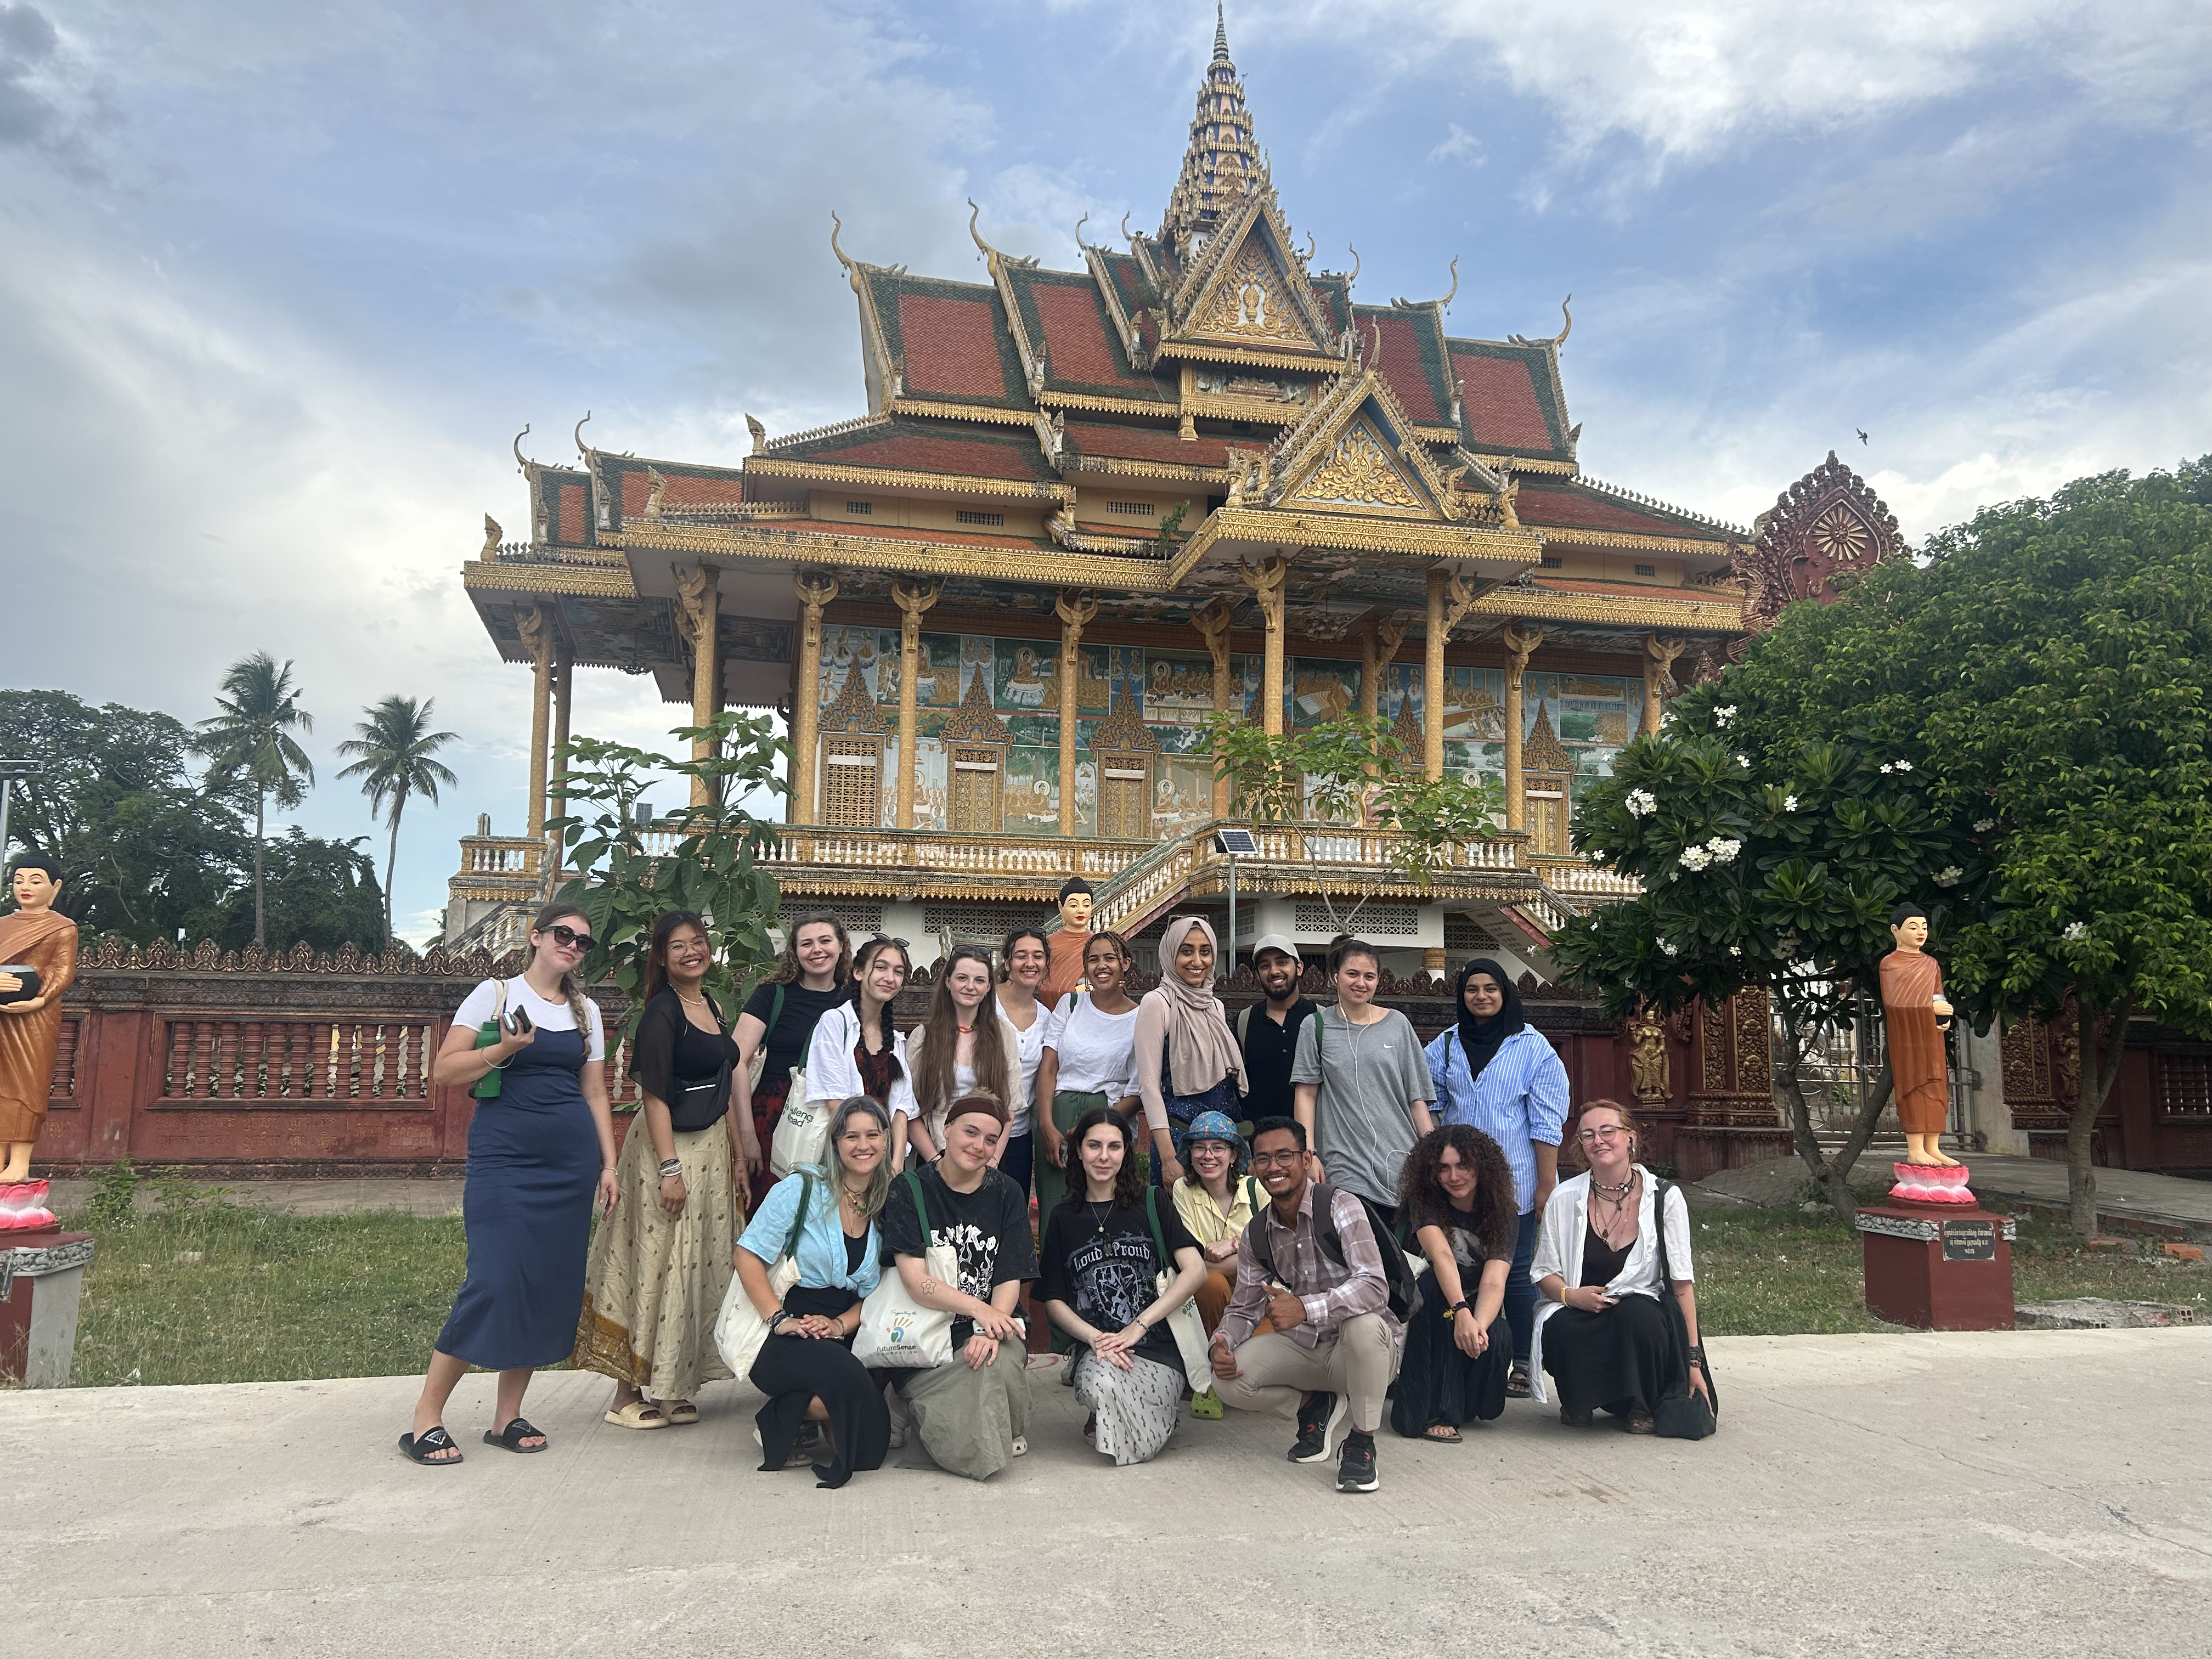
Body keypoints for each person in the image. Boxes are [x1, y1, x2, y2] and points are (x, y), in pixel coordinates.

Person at [401, 903, 619, 1465]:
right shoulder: (495, 994)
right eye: (563, 935)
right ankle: (427, 1415)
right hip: (505, 1158)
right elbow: (445, 1070)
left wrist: (609, 1164)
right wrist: (503, 1049)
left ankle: (507, 1416)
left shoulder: (586, 1011)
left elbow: (595, 1093)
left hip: (568, 1162)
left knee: (545, 1284)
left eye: (583, 942)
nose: (572, 946)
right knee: (495, 1279)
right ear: (537, 937)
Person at [574, 911, 742, 1430]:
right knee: (653, 1263)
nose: (692, 952)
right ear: (661, 958)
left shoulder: (709, 1004)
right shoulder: (663, 1012)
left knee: (695, 1267)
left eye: (699, 943)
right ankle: (626, 1393)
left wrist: (736, 1156)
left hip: (711, 1151)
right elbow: (653, 1096)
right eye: (678, 946)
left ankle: (671, 1385)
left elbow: (721, 1083)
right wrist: (670, 1169)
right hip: (667, 1153)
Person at [1210, 1118, 1402, 1494]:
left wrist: (1306, 1308)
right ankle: (1314, 1404)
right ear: (1252, 1167)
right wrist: (1222, 1342)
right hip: (1310, 1349)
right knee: (1226, 1383)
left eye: (1285, 1156)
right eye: (1263, 1159)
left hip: (1366, 1354)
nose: (1274, 1167)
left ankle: (1362, 1441)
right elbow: (1244, 1308)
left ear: (1306, 1158)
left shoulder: (1342, 1206)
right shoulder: (1256, 1233)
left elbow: (1375, 1286)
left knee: (1361, 1325)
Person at [1424, 957, 1569, 1399]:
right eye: (1472, 989)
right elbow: (1428, 1104)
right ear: (1461, 996)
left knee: (1519, 1272)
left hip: (1518, 1182)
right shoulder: (1445, 1045)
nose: (1481, 996)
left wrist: (1546, 1185)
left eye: (1491, 988)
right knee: (1458, 1268)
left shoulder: (1532, 1047)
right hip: (1458, 1183)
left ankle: (1523, 1362)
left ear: (1506, 992)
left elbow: (1546, 1123)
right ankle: (1462, 1352)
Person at [735, 1095, 893, 1489]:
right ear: (835, 1142)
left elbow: (882, 1290)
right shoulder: (801, 1188)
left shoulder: (889, 1202)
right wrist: (779, 1319)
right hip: (787, 1330)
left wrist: (840, 1326)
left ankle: (784, 1418)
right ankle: (796, 1417)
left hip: (844, 1329)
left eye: (873, 1135)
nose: (863, 1145)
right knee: (848, 1383)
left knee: (868, 1448)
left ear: (887, 1140)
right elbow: (746, 1255)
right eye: (851, 1136)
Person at [877, 1095, 1037, 1480]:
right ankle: (911, 1402)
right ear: (946, 1130)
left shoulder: (1007, 1192)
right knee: (980, 1378)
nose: (979, 1146)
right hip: (927, 1328)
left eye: (991, 1139)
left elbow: (1008, 1277)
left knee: (994, 1360)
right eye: (970, 1132)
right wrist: (979, 1311)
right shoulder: (909, 1190)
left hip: (991, 1323)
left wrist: (988, 1326)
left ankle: (956, 1420)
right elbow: (916, 1282)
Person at [1038, 1106, 1207, 1465]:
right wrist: (1094, 1338)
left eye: (1114, 1147)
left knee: (1140, 1441)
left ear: (1126, 1153)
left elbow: (1195, 1271)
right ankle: (1117, 1410)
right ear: (1078, 1151)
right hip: (1099, 1350)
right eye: (1094, 1146)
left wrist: (1139, 1325)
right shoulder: (1063, 1218)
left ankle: (1137, 1414)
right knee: (1099, 1385)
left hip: (1158, 1347)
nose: (1104, 1156)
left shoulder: (1152, 1202)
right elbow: (1053, 1299)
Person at [1531, 1100, 1711, 1433]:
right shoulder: (1564, 1197)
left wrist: (1693, 1360)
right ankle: (1578, 1401)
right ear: (1581, 1146)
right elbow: (1544, 1272)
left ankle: (1638, 1403)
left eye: (1608, 1131)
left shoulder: (1664, 1197)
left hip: (1637, 1313)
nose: (1598, 1140)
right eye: (1588, 1135)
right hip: (1581, 1307)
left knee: (1638, 1316)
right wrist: (1572, 1297)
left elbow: (1682, 1283)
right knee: (1563, 1325)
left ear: (1630, 1137)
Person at [1291, 939, 1434, 1223]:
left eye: (1369, 976)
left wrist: (1432, 1152)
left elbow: (1416, 1098)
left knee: (1402, 1257)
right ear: (1335, 976)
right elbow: (1306, 1095)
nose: (1361, 983)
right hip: (1343, 1161)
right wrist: (1310, 1153)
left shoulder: (1397, 1025)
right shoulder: (1316, 1026)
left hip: (1399, 1157)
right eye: (1352, 974)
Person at [1390, 1125, 1516, 1442]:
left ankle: (1464, 1404)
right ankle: (1434, 1411)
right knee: (1436, 1290)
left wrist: (1478, 1327)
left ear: (1481, 1168)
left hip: (1476, 1303)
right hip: (1429, 1304)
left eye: (1463, 1166)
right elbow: (1443, 1256)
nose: (1454, 1176)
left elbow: (1494, 1281)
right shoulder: (1426, 1203)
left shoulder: (1503, 1213)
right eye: (1444, 1168)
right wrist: (1460, 1310)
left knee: (1499, 1333)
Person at [733, 913, 852, 1206]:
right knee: (771, 1209)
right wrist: (747, 1135)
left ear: (841, 947)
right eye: (806, 944)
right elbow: (735, 1061)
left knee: (822, 1211)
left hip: (832, 1118)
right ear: (795, 952)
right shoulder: (773, 995)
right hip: (773, 1119)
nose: (817, 950)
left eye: (826, 941)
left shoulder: (851, 1001)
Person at [1034, 929, 1142, 1225]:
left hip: (1109, 1119)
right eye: (1093, 960)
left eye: (1110, 958)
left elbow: (1139, 1088)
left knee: (1104, 1209)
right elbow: (1049, 1068)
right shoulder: (1070, 1006)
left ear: (1126, 964)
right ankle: (1053, 1271)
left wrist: (1094, 1124)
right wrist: (1045, 1124)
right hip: (1059, 1116)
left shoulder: (1142, 1017)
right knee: (1056, 1211)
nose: (1101, 966)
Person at [1133, 916, 1246, 1188]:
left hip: (1223, 1145)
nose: (1197, 961)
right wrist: (1169, 1157)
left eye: (1205, 952)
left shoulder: (1214, 1006)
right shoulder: (1157, 1004)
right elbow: (1149, 1087)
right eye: (1187, 951)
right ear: (1171, 953)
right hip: (1181, 1143)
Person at [0, 854, 80, 1200]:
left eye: (35, 880)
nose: (25, 887)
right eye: (19, 880)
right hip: (1, 1011)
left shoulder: (62, 927)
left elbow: (62, 971)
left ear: (55, 887)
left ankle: (19, 1162)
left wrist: (38, 999)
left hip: (35, 1016)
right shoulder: (2, 925)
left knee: (27, 1087)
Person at [902, 944, 1024, 1166]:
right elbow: (910, 1108)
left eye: (979, 980)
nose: (970, 986)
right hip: (937, 1152)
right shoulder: (925, 1037)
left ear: (988, 987)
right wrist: (934, 1160)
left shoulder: (1003, 1035)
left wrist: (993, 1159)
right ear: (948, 982)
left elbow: (1009, 1107)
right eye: (962, 978)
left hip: (985, 1154)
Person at [803, 935, 919, 1165]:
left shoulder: (894, 1040)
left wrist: (896, 1163)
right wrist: (866, 1149)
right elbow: (835, 1100)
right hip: (844, 1152)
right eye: (881, 968)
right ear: (858, 972)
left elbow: (901, 1109)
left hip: (882, 1156)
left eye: (898, 972)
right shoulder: (835, 1023)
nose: (890, 978)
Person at [1170, 1109, 1266, 1336]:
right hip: (1215, 1299)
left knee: (1260, 1359)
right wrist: (1252, 1254)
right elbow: (1193, 1266)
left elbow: (1277, 1250)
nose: (1208, 1155)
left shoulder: (1256, 1188)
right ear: (1190, 1154)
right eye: (1199, 1147)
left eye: (1218, 1147)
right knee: (1210, 1283)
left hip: (1262, 1294)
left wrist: (1233, 1245)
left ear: (1233, 1155)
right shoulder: (1182, 1189)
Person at [1881, 905, 1959, 1166]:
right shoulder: (1890, 964)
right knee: (1914, 1086)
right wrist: (1929, 1009)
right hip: (1908, 1037)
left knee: (1936, 1087)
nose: (1920, 932)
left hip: (1931, 1036)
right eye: (1913, 927)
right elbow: (1894, 1003)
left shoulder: (1931, 964)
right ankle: (1915, 1148)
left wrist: (1942, 1016)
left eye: (1924, 927)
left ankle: (1933, 1146)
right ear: (1896, 930)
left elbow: (1937, 993)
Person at [1234, 934, 1317, 1122]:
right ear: (1257, 975)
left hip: (1311, 1139)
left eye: (1282, 963)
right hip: (1258, 1142)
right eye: (1265, 966)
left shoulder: (1320, 1019)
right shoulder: (1244, 1022)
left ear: (1299, 968)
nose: (1274, 971)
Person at [993, 926, 1051, 1195]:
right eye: (1021, 956)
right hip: (975, 1129)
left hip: (1018, 1135)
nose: (1030, 964)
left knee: (1011, 1216)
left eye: (1038, 956)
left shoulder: (1046, 1018)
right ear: (1007, 962)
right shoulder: (984, 1002)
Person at [1040, 877, 1094, 1004]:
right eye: (1074, 905)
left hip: (1087, 1003)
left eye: (1086, 905)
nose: (1081, 910)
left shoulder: (1097, 943)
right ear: (1061, 907)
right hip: (1053, 1003)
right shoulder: (1049, 942)